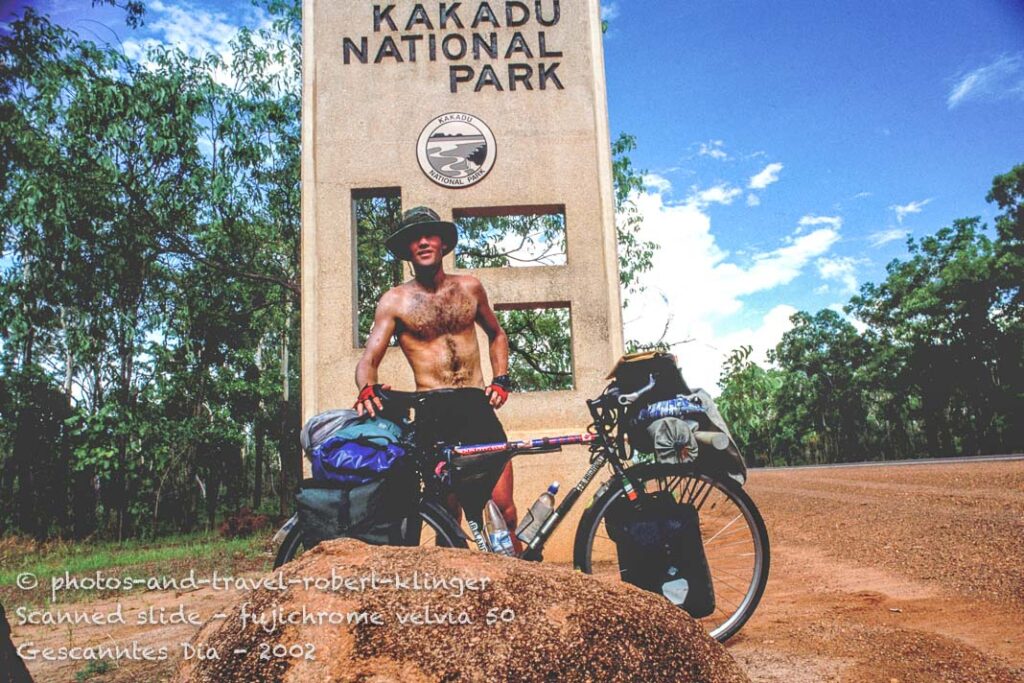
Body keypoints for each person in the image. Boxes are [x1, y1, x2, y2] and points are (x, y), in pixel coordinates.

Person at [354, 206, 519, 551]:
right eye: (415, 238)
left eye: (430, 235)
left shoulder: (470, 288)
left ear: (443, 244)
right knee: (447, 517)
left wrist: (500, 379)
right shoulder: (395, 301)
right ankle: (454, 593)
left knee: (503, 509)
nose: (424, 242)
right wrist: (367, 386)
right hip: (434, 409)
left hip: (476, 406)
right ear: (407, 250)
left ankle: (513, 585)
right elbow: (369, 358)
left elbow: (497, 335)